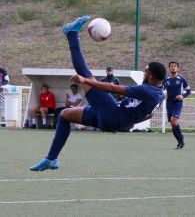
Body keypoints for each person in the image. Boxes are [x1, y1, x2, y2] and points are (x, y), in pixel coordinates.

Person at [30, 16, 166, 171]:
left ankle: (71, 33)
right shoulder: (158, 93)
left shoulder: (148, 90)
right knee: (65, 115)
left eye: (145, 72)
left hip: (113, 114)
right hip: (115, 120)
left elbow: (114, 88)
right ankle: (51, 159)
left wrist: (85, 81)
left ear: (152, 77)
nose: (143, 73)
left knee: (85, 74)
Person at [163, 61, 191, 149]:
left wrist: (182, 96)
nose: (173, 68)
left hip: (177, 103)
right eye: (171, 66)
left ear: (178, 68)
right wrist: (163, 95)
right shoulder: (166, 79)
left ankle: (181, 139)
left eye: (175, 66)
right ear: (169, 68)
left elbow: (189, 91)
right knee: (172, 123)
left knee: (174, 120)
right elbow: (161, 89)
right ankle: (179, 142)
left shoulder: (182, 80)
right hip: (169, 103)